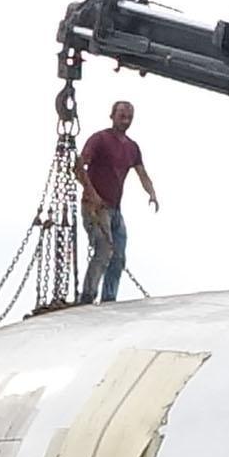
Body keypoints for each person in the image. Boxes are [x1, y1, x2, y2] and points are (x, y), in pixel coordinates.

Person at [74, 98, 159, 304]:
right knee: (103, 250)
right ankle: (87, 295)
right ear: (112, 115)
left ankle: (109, 298)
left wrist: (151, 193)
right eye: (122, 115)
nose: (125, 120)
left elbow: (141, 172)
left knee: (119, 255)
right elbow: (78, 167)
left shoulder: (132, 147)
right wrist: (92, 194)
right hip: (95, 207)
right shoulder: (99, 139)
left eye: (129, 117)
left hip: (115, 209)